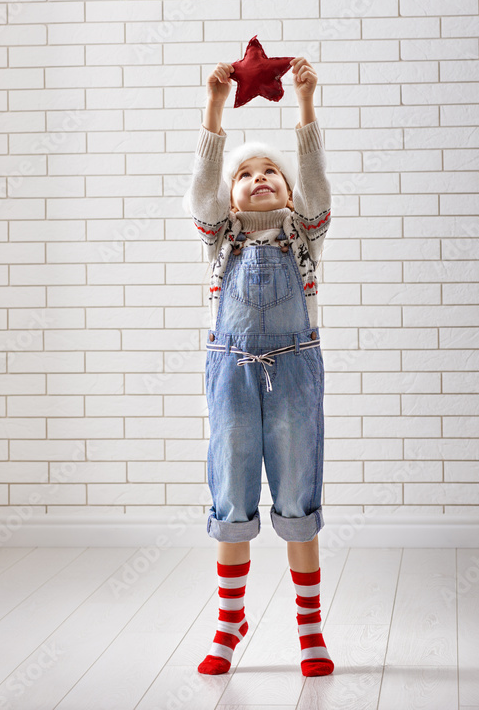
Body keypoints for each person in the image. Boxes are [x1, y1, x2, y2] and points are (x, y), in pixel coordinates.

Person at [182, 55, 333, 678]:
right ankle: (228, 622)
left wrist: (304, 106)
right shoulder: (221, 237)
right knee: (232, 494)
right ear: (232, 194)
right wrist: (215, 112)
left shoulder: (305, 235)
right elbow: (201, 188)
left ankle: (310, 630)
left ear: (292, 192)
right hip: (232, 376)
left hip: (295, 372)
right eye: (247, 173)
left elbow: (318, 181)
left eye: (273, 170)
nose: (262, 176)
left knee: (298, 495)